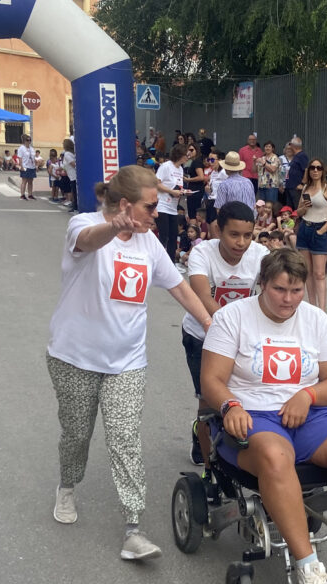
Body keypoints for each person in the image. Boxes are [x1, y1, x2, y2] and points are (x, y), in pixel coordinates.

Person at [46, 168, 213, 561]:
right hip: (74, 358)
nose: (158, 213)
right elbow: (87, 242)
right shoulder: (83, 225)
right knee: (77, 435)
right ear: (125, 206)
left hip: (127, 362)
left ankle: (133, 528)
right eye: (151, 207)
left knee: (124, 439)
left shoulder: (149, 244)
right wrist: (112, 228)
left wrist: (211, 326)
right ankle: (67, 486)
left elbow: (181, 288)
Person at [200, 248, 327, 584]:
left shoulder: (315, 319)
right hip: (252, 415)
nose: (289, 299)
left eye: (297, 291)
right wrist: (230, 405)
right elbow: (212, 380)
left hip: (308, 413)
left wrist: (307, 394)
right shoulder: (232, 318)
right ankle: (308, 568)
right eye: (280, 289)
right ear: (262, 284)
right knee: (276, 456)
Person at [182, 201, 271, 463]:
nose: (241, 242)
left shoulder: (261, 254)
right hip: (202, 337)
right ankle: (207, 457)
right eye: (233, 234)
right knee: (209, 400)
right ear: (218, 231)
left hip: (245, 339)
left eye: (247, 235)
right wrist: (229, 326)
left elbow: (272, 288)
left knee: (242, 395)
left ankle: (237, 449)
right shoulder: (202, 253)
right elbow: (201, 296)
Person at [294, 157, 327, 309]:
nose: (315, 170)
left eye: (319, 168)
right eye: (312, 168)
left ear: (323, 171)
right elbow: (299, 211)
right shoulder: (305, 188)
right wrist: (304, 208)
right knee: (307, 272)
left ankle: (322, 309)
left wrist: (322, 230)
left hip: (319, 228)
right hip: (305, 228)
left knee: (319, 274)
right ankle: (312, 306)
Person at [155, 145, 188, 261]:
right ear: (179, 155)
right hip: (162, 205)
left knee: (173, 236)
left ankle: (170, 262)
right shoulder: (165, 166)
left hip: (173, 207)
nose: (187, 158)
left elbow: (178, 186)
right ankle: (158, 260)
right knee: (164, 235)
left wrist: (184, 192)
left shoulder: (180, 169)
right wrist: (170, 191)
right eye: (186, 155)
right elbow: (157, 183)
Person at [182, 144, 207, 226]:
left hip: (196, 190)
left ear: (197, 150)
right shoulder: (192, 162)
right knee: (192, 212)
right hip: (192, 189)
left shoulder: (197, 162)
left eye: (192, 150)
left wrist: (188, 180)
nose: (190, 152)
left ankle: (196, 230)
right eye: (188, 150)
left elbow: (201, 177)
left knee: (195, 213)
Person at [256, 141, 282, 206]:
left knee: (271, 205)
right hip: (262, 185)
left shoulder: (275, 158)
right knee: (262, 205)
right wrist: (254, 162)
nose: (267, 148)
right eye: (266, 146)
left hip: (271, 185)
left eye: (269, 146)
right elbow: (254, 170)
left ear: (272, 148)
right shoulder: (262, 158)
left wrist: (264, 163)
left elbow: (273, 169)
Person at [284, 138, 307, 208]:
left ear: (294, 146)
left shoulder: (302, 156)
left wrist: (302, 184)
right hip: (289, 187)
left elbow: (306, 169)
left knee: (297, 207)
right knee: (289, 208)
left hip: (296, 188)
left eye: (290, 145)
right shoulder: (296, 156)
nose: (289, 147)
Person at [17, 135, 38, 199]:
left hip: (32, 166)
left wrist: (36, 166)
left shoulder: (31, 149)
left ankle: (30, 194)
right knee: (24, 181)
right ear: (24, 141)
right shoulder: (21, 148)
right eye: (27, 140)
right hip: (25, 166)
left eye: (30, 140)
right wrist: (21, 166)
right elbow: (20, 158)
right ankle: (22, 194)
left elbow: (33, 157)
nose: (29, 142)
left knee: (30, 181)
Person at [61, 138, 78, 212]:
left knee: (74, 191)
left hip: (73, 175)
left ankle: (75, 206)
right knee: (74, 190)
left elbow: (73, 164)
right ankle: (75, 205)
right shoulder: (72, 153)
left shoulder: (67, 154)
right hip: (72, 175)